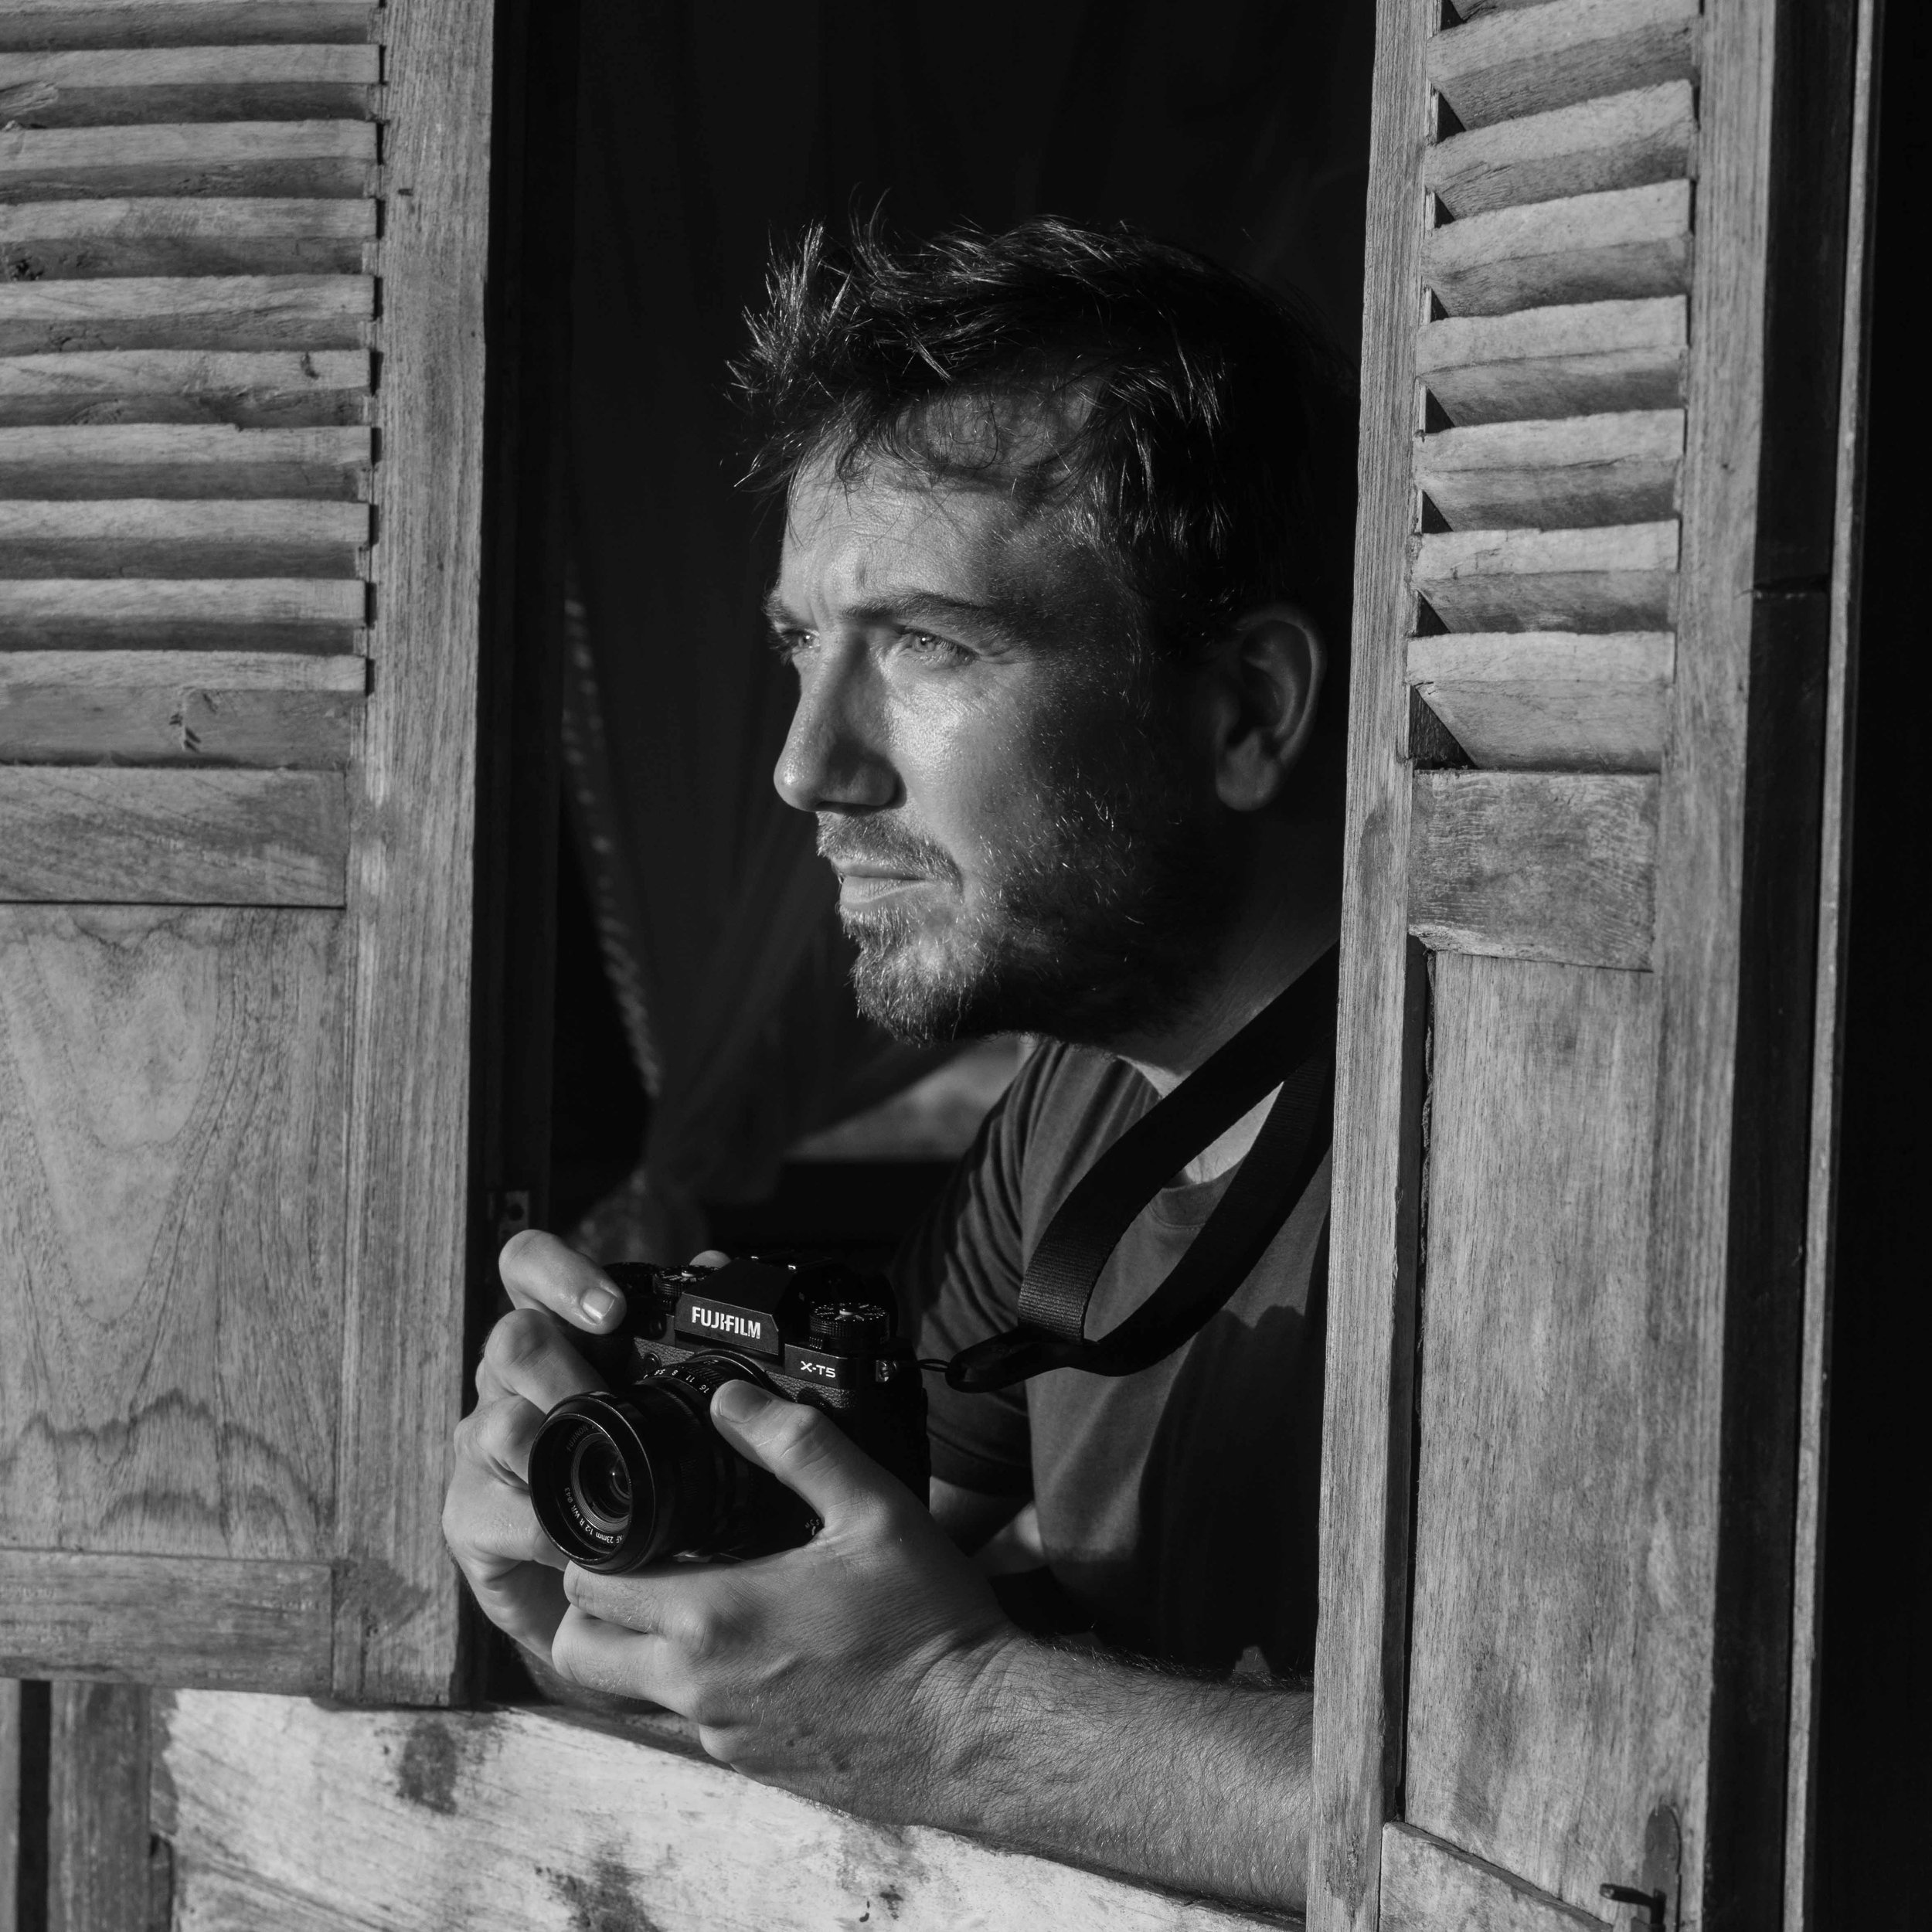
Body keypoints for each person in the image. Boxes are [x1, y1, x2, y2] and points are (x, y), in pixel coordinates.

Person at [442, 216, 1355, 1912]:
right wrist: (609, 1565)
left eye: (928, 643)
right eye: (802, 643)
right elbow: (840, 1609)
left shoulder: (1514, 1147)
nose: (807, 766)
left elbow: (1599, 1818)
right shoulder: (1080, 1107)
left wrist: (958, 1719)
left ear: (1247, 708)